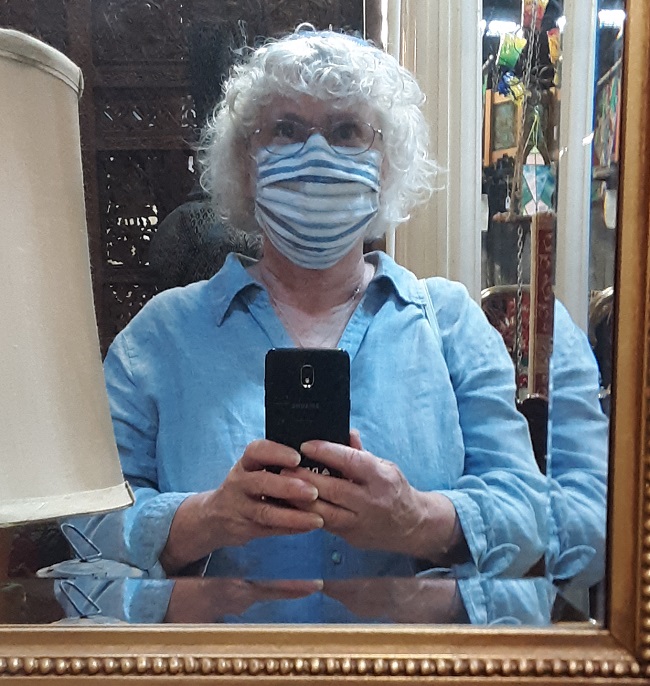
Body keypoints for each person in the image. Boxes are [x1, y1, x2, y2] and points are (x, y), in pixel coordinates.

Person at [73, 26, 548, 621]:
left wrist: (417, 525)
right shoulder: (159, 339)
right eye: (287, 130)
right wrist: (206, 530)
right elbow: (83, 548)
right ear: (246, 163)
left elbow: (531, 525)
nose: (316, 154)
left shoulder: (450, 326)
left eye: (347, 131)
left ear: (386, 163)